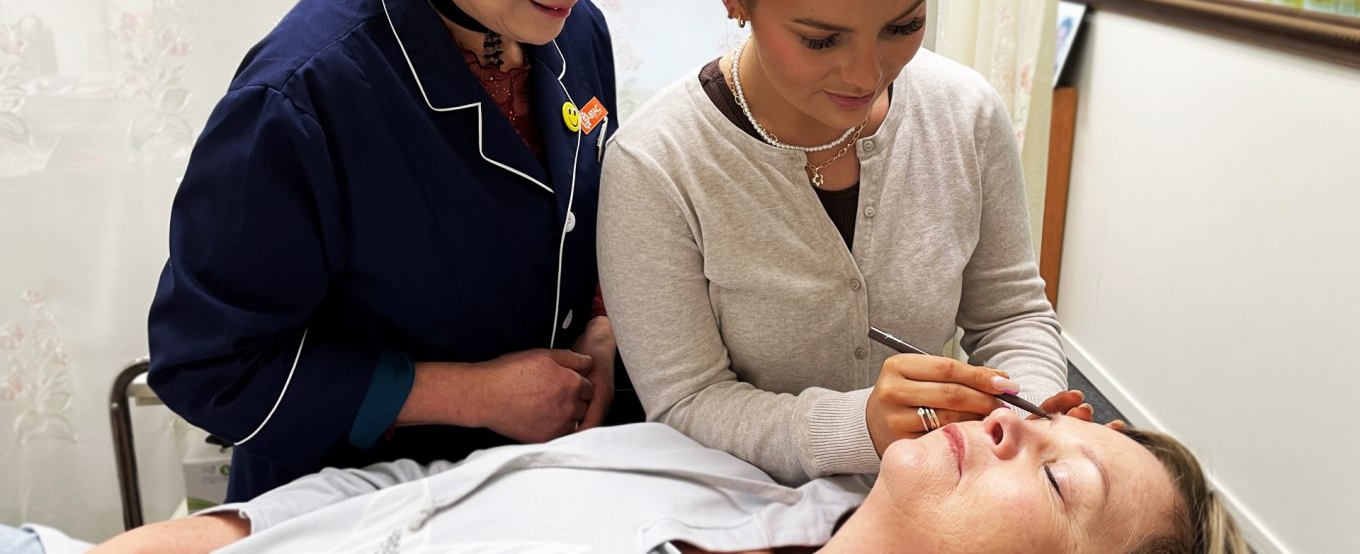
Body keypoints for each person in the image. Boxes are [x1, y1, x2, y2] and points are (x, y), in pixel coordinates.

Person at [146, 0, 656, 501]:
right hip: (353, 501)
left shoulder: (573, 32)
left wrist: (602, 328)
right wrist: (469, 394)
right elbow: (207, 366)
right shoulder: (302, 101)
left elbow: (595, 225)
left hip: (543, 484)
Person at [598, 0, 1074, 486]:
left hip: (947, 491)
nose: (867, 73)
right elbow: (686, 399)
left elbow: (1011, 312)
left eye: (903, 25)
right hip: (745, 507)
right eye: (821, 39)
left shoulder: (966, 115)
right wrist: (861, 428)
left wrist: (1025, 414)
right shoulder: (656, 165)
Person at [3, 409, 1247, 553]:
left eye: (1059, 483)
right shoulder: (700, 466)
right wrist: (221, 526)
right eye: (1041, 426)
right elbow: (441, 479)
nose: (1015, 428)